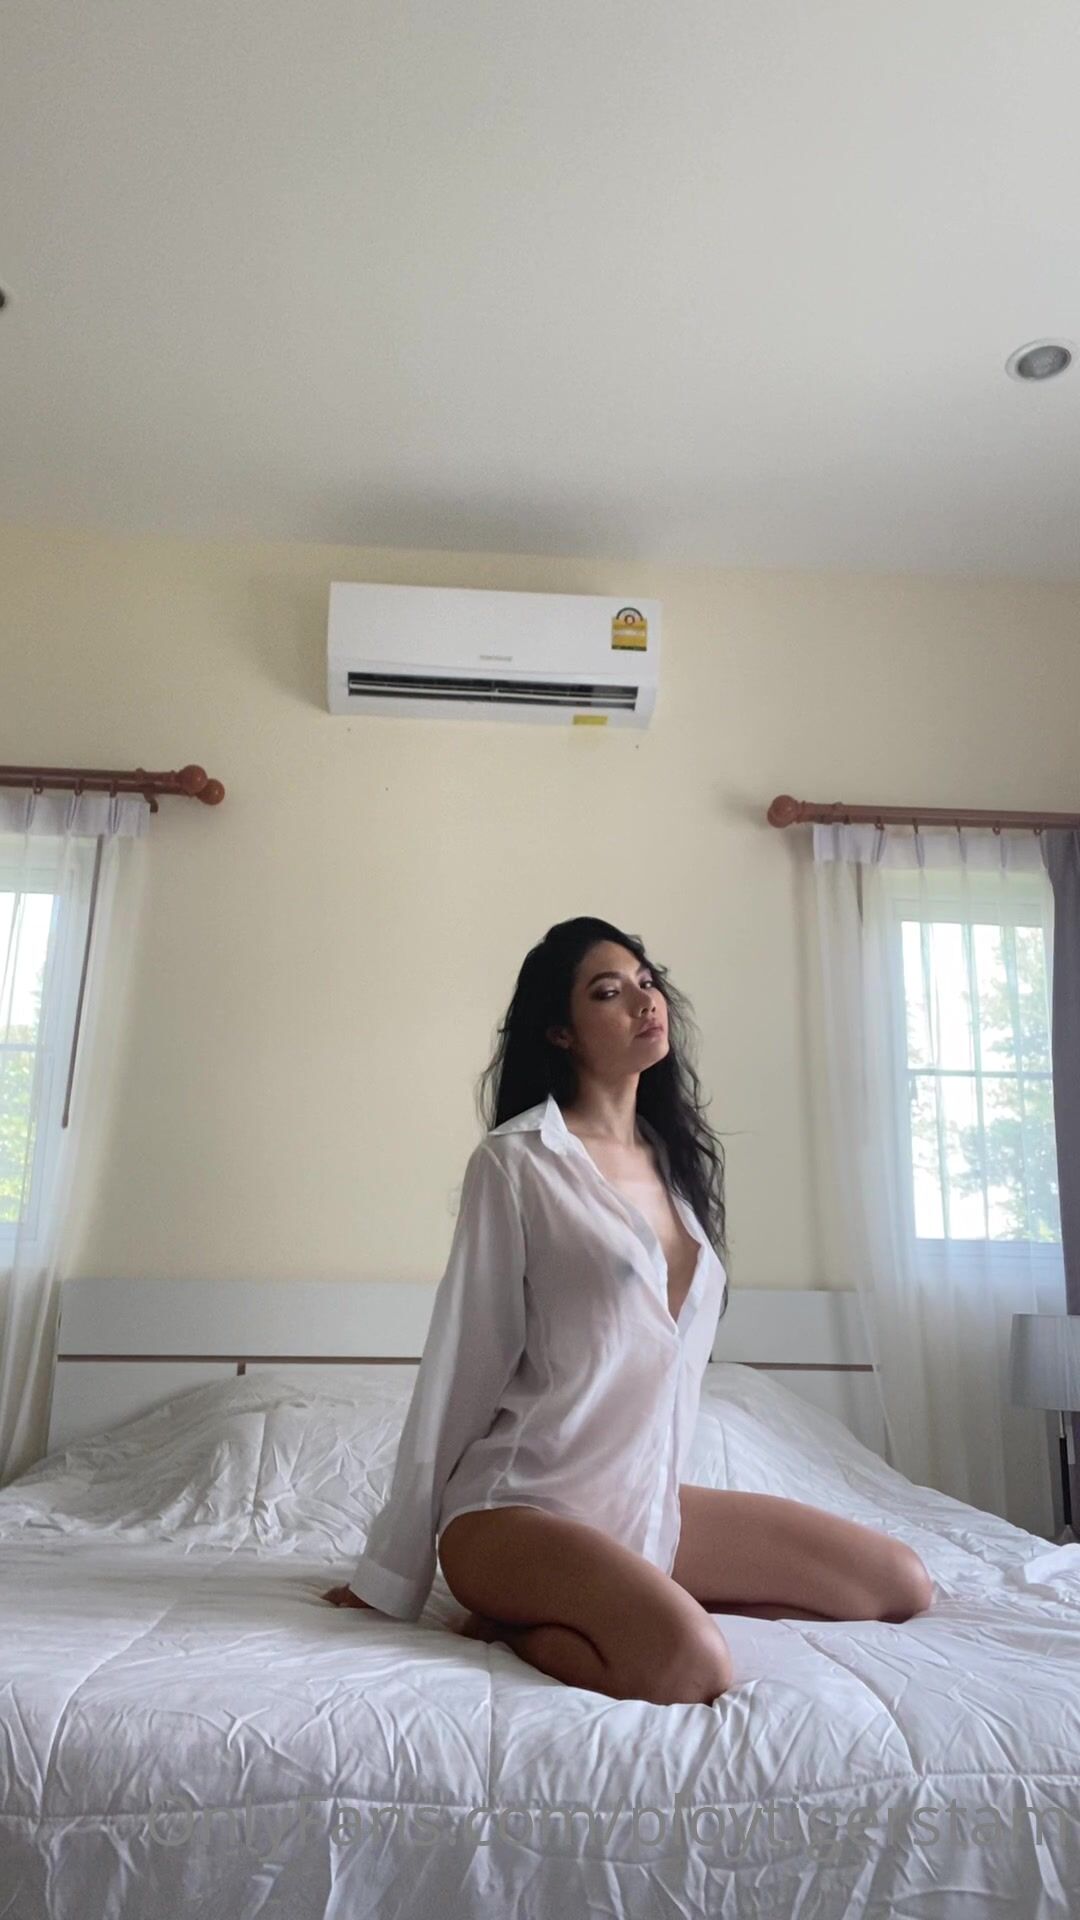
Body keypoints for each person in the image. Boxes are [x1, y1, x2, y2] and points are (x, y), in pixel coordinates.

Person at [325, 916, 932, 1703]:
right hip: (514, 1511)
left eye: (648, 983)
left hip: (643, 1506)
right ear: (562, 1032)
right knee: (691, 1664)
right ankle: (516, 1620)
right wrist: (390, 1574)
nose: (645, 1001)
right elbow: (459, 1371)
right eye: (609, 993)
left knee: (898, 1583)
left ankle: (607, 1605)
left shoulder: (673, 1164)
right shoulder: (517, 1162)